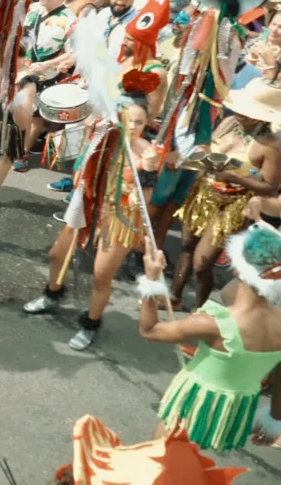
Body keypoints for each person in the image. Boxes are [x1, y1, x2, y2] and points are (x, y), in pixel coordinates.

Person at [23, 95, 159, 351]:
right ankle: (51, 295)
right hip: (88, 206)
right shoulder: (102, 139)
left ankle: (90, 324)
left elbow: (145, 202)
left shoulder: (148, 155)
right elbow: (73, 165)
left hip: (119, 219)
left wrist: (149, 171)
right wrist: (88, 139)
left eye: (139, 122)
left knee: (100, 277)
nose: (132, 127)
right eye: (127, 120)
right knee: (56, 255)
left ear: (147, 123)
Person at [137, 225, 281, 452]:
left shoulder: (215, 323)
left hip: (195, 406)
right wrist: (275, 418)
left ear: (236, 268)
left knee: (159, 459)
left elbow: (149, 330)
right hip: (232, 411)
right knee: (190, 462)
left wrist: (151, 278)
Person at [170, 79, 281, 311]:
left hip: (233, 206)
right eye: (241, 110)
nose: (241, 115)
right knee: (186, 245)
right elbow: (209, 148)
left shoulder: (271, 146)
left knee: (202, 263)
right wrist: (202, 153)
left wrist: (235, 178)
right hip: (204, 193)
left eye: (248, 114)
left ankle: (201, 311)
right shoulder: (229, 122)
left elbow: (270, 188)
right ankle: (174, 297)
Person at [11, 0, 77, 172]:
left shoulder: (70, 21)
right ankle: (11, 144)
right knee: (18, 108)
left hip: (47, 74)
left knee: (37, 117)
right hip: (24, 68)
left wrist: (48, 64)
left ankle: (23, 151)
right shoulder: (33, 9)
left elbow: (73, 54)